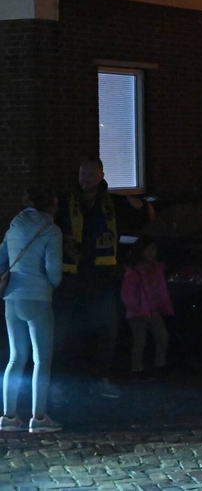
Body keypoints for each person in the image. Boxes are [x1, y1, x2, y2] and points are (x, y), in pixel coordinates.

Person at [55, 155, 153, 400]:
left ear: (101, 175)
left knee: (106, 331)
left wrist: (138, 203)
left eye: (90, 174)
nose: (85, 179)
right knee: (64, 332)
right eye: (82, 174)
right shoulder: (66, 201)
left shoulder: (113, 203)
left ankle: (99, 379)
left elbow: (145, 216)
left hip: (102, 278)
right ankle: (62, 382)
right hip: (71, 277)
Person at [1, 187, 64, 434]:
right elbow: (54, 270)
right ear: (53, 203)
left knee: (15, 358)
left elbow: (1, 256)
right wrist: (52, 282)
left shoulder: (14, 226)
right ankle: (39, 418)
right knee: (41, 361)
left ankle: (9, 416)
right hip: (38, 297)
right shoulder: (50, 230)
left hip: (12, 297)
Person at [121, 236, 174, 381]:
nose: (151, 253)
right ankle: (137, 369)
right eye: (147, 250)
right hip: (138, 311)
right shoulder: (134, 272)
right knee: (140, 341)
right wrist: (136, 308)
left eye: (153, 249)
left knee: (162, 336)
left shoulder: (156, 268)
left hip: (150, 309)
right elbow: (127, 294)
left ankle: (159, 365)